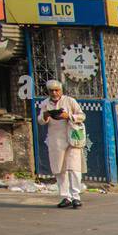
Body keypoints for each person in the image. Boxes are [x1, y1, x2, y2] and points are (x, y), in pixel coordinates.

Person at [37, 79, 86, 208]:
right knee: (59, 169)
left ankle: (76, 196)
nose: (54, 93)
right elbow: (41, 121)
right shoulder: (45, 104)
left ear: (61, 90)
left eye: (56, 90)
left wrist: (68, 116)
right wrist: (46, 115)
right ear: (48, 92)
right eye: (51, 91)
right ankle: (66, 197)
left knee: (74, 168)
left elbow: (82, 116)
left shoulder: (70, 101)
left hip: (72, 138)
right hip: (55, 139)